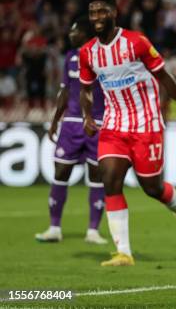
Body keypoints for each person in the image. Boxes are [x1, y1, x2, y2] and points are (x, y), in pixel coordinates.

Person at [79, 0, 176, 267]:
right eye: (92, 12)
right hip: (113, 126)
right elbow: (85, 89)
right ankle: (124, 253)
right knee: (109, 179)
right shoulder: (88, 52)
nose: (96, 17)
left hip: (147, 125)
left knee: (152, 188)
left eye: (102, 11)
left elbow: (165, 78)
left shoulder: (136, 43)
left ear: (114, 13)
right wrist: (87, 115)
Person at [35, 16, 107, 244]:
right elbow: (64, 92)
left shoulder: (104, 57)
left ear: (85, 34)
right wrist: (55, 120)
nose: (70, 34)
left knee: (96, 177)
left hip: (97, 123)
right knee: (60, 173)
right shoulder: (70, 57)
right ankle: (54, 228)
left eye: (74, 30)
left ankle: (93, 231)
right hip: (72, 123)